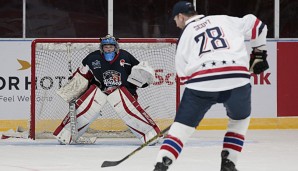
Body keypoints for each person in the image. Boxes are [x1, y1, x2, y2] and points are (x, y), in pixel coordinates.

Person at [153, 1, 269, 171]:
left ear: (180, 16)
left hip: (202, 83)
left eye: (175, 20)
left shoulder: (186, 35)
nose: (176, 24)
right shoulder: (224, 19)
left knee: (181, 129)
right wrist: (259, 53)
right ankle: (229, 162)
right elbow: (258, 26)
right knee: (239, 121)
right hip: (237, 79)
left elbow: (184, 75)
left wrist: (190, 115)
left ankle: (162, 163)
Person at [53, 34, 161, 145]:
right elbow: (84, 73)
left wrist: (144, 79)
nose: (108, 49)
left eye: (111, 46)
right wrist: (74, 83)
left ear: (116, 47)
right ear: (102, 48)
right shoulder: (93, 58)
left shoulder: (126, 56)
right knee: (88, 105)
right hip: (103, 90)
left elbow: (139, 72)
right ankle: (66, 134)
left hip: (125, 91)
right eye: (106, 47)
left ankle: (150, 134)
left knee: (128, 111)